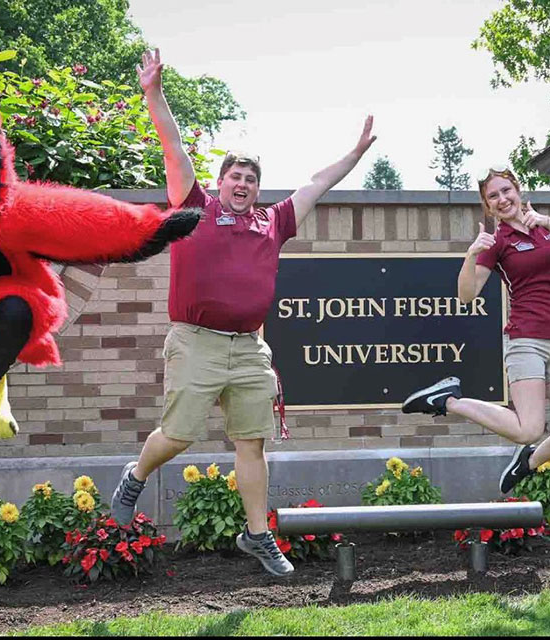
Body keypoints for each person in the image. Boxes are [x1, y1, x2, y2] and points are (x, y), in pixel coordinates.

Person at [109, 49, 376, 576]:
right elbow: (173, 144)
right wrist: (153, 94)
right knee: (179, 435)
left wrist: (356, 153)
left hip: (250, 348)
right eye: (235, 175)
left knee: (251, 444)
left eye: (251, 179)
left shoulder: (272, 223)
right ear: (221, 180)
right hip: (196, 341)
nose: (242, 184)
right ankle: (135, 477)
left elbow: (317, 183)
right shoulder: (194, 206)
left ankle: (257, 536)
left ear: (257, 188)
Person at [401, 165, 550, 495]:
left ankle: (527, 463)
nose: (502, 199)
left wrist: (546, 221)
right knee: (528, 428)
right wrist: (471, 253)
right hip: (525, 339)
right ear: (487, 207)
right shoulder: (497, 241)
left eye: (506, 191)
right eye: (493, 197)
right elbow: (466, 295)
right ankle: (449, 401)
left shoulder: (544, 229)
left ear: (518, 191)